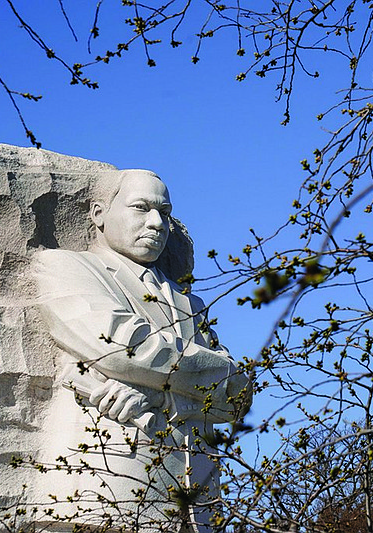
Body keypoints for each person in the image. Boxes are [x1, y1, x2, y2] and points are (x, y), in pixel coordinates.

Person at [32, 169, 251, 533]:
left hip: (197, 498)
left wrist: (160, 396)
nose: (157, 223)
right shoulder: (64, 266)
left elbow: (236, 393)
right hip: (109, 478)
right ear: (99, 214)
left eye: (164, 213)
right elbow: (121, 348)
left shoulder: (188, 302)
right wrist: (206, 380)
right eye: (141, 208)